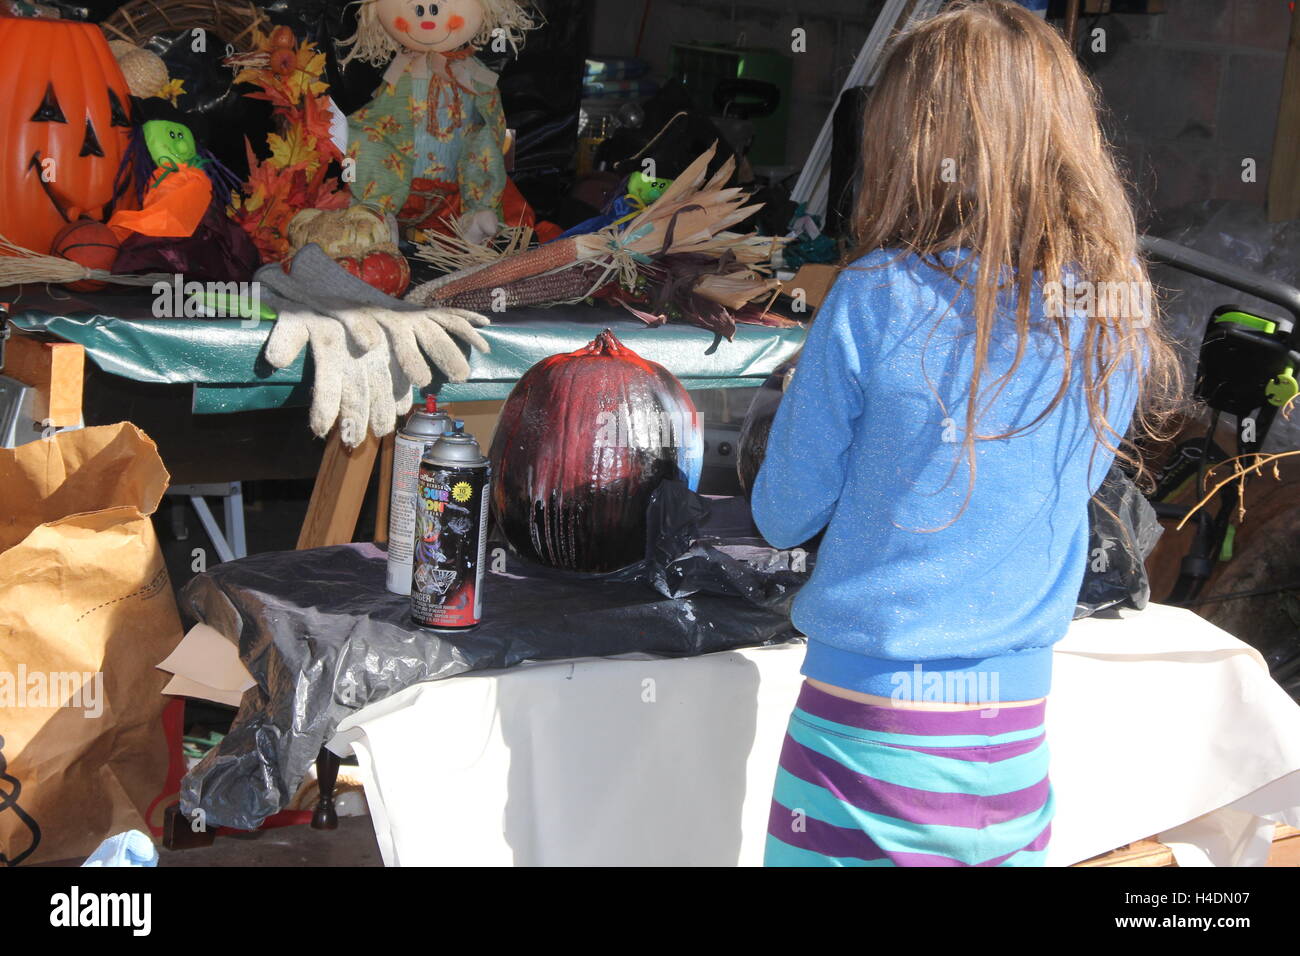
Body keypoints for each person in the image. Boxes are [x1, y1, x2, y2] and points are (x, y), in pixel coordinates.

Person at [753, 0, 1182, 867]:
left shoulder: (875, 296)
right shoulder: (1110, 314)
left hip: (863, 741)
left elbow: (782, 513)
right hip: (1012, 742)